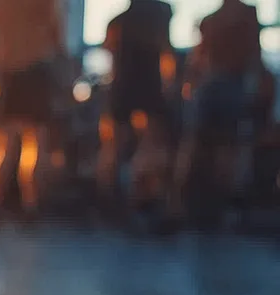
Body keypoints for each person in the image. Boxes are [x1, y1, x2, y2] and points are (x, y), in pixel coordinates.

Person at [173, 0, 270, 224]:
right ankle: (215, 202)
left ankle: (189, 202)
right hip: (229, 86)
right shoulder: (244, 16)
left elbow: (198, 57)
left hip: (211, 86)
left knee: (200, 142)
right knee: (225, 144)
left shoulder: (213, 20)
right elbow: (254, 55)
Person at [0, 0, 65, 221]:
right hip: (34, 71)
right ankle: (31, 205)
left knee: (4, 142)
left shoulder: (1, 3)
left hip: (8, 73)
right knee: (35, 142)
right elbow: (57, 38)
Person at [98, 0, 175, 208]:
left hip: (123, 86)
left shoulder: (118, 22)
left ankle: (111, 198)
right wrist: (171, 84)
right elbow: (166, 50)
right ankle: (142, 194)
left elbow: (110, 55)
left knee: (115, 145)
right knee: (150, 143)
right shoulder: (161, 14)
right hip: (149, 87)